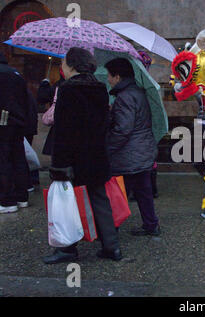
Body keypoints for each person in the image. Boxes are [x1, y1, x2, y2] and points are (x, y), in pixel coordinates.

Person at [43, 47, 122, 264]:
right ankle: (112, 247)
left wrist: (59, 164)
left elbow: (63, 131)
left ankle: (67, 249)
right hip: (96, 155)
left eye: (64, 63)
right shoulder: (99, 88)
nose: (62, 67)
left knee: (67, 203)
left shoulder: (68, 90)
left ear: (72, 66)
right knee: (99, 200)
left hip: (73, 158)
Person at [105, 58, 160, 236]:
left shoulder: (124, 97)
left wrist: (108, 147)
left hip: (128, 154)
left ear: (118, 76)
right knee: (144, 191)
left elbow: (123, 129)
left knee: (119, 194)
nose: (108, 79)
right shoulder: (137, 92)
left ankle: (111, 232)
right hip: (142, 151)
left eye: (109, 75)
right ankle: (151, 225)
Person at [0, 52, 30, 214]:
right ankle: (21, 197)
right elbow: (26, 100)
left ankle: (7, 200)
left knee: (3, 160)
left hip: (3, 122)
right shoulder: (16, 75)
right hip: (18, 122)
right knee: (18, 158)